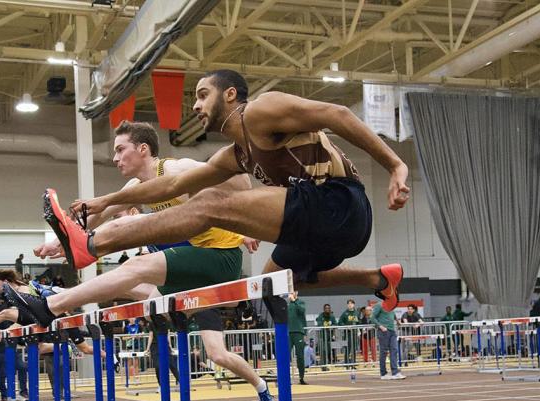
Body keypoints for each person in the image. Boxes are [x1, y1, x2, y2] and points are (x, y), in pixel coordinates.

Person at [44, 70, 406, 310]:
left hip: (339, 203)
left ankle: (91, 246)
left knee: (211, 203)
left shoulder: (261, 111)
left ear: (230, 94)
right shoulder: (235, 155)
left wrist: (394, 165)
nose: (196, 106)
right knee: (271, 282)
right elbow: (171, 184)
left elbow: (338, 113)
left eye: (203, 95)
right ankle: (378, 278)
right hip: (327, 228)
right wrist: (106, 200)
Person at [17, 120, 275, 401]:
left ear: (143, 149)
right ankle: (60, 287)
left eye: (120, 150)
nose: (114, 158)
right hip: (191, 264)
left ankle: (51, 304)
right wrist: (57, 244)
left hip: (220, 259)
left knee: (135, 248)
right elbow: (99, 216)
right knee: (135, 285)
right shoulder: (135, 187)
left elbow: (242, 184)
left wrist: (222, 184)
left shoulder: (179, 170)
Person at [370, 301, 404, 380]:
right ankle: (383, 373)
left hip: (392, 330)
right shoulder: (379, 305)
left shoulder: (390, 304)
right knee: (383, 352)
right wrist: (380, 326)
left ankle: (395, 372)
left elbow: (392, 313)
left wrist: (397, 320)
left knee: (394, 350)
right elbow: (372, 317)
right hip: (383, 331)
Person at [287, 291, 307, 384]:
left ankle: (301, 377)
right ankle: (286, 377)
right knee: (286, 356)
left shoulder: (300, 302)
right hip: (288, 333)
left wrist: (294, 300)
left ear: (296, 293)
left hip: (298, 332)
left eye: (293, 292)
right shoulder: (286, 304)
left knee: (300, 356)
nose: (291, 294)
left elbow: (302, 311)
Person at [315, 303, 336, 369]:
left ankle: (328, 363)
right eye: (326, 308)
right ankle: (323, 366)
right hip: (322, 337)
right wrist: (327, 327)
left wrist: (332, 327)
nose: (327, 309)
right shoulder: (321, 316)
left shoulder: (332, 316)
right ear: (324, 309)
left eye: (328, 308)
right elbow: (319, 324)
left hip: (329, 337)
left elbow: (335, 324)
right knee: (323, 351)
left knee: (329, 351)